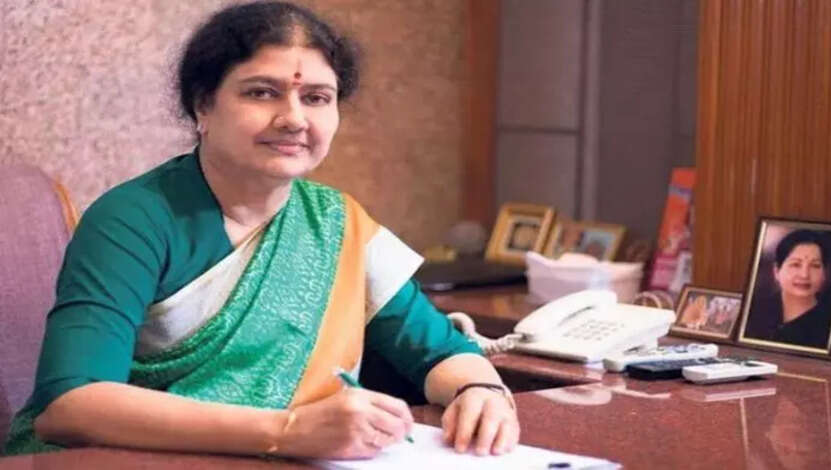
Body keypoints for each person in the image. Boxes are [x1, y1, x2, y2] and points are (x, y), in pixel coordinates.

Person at [3, 1, 519, 459]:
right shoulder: (135, 219)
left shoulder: (337, 225)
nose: (294, 119)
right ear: (202, 106)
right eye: (262, 92)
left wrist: (481, 392)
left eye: (317, 98)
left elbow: (440, 351)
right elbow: (70, 405)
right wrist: (287, 431)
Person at [743, 229, 831, 350]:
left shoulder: (829, 322)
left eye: (815, 266)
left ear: (824, 274)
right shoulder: (754, 311)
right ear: (777, 271)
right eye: (796, 264)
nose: (804, 275)